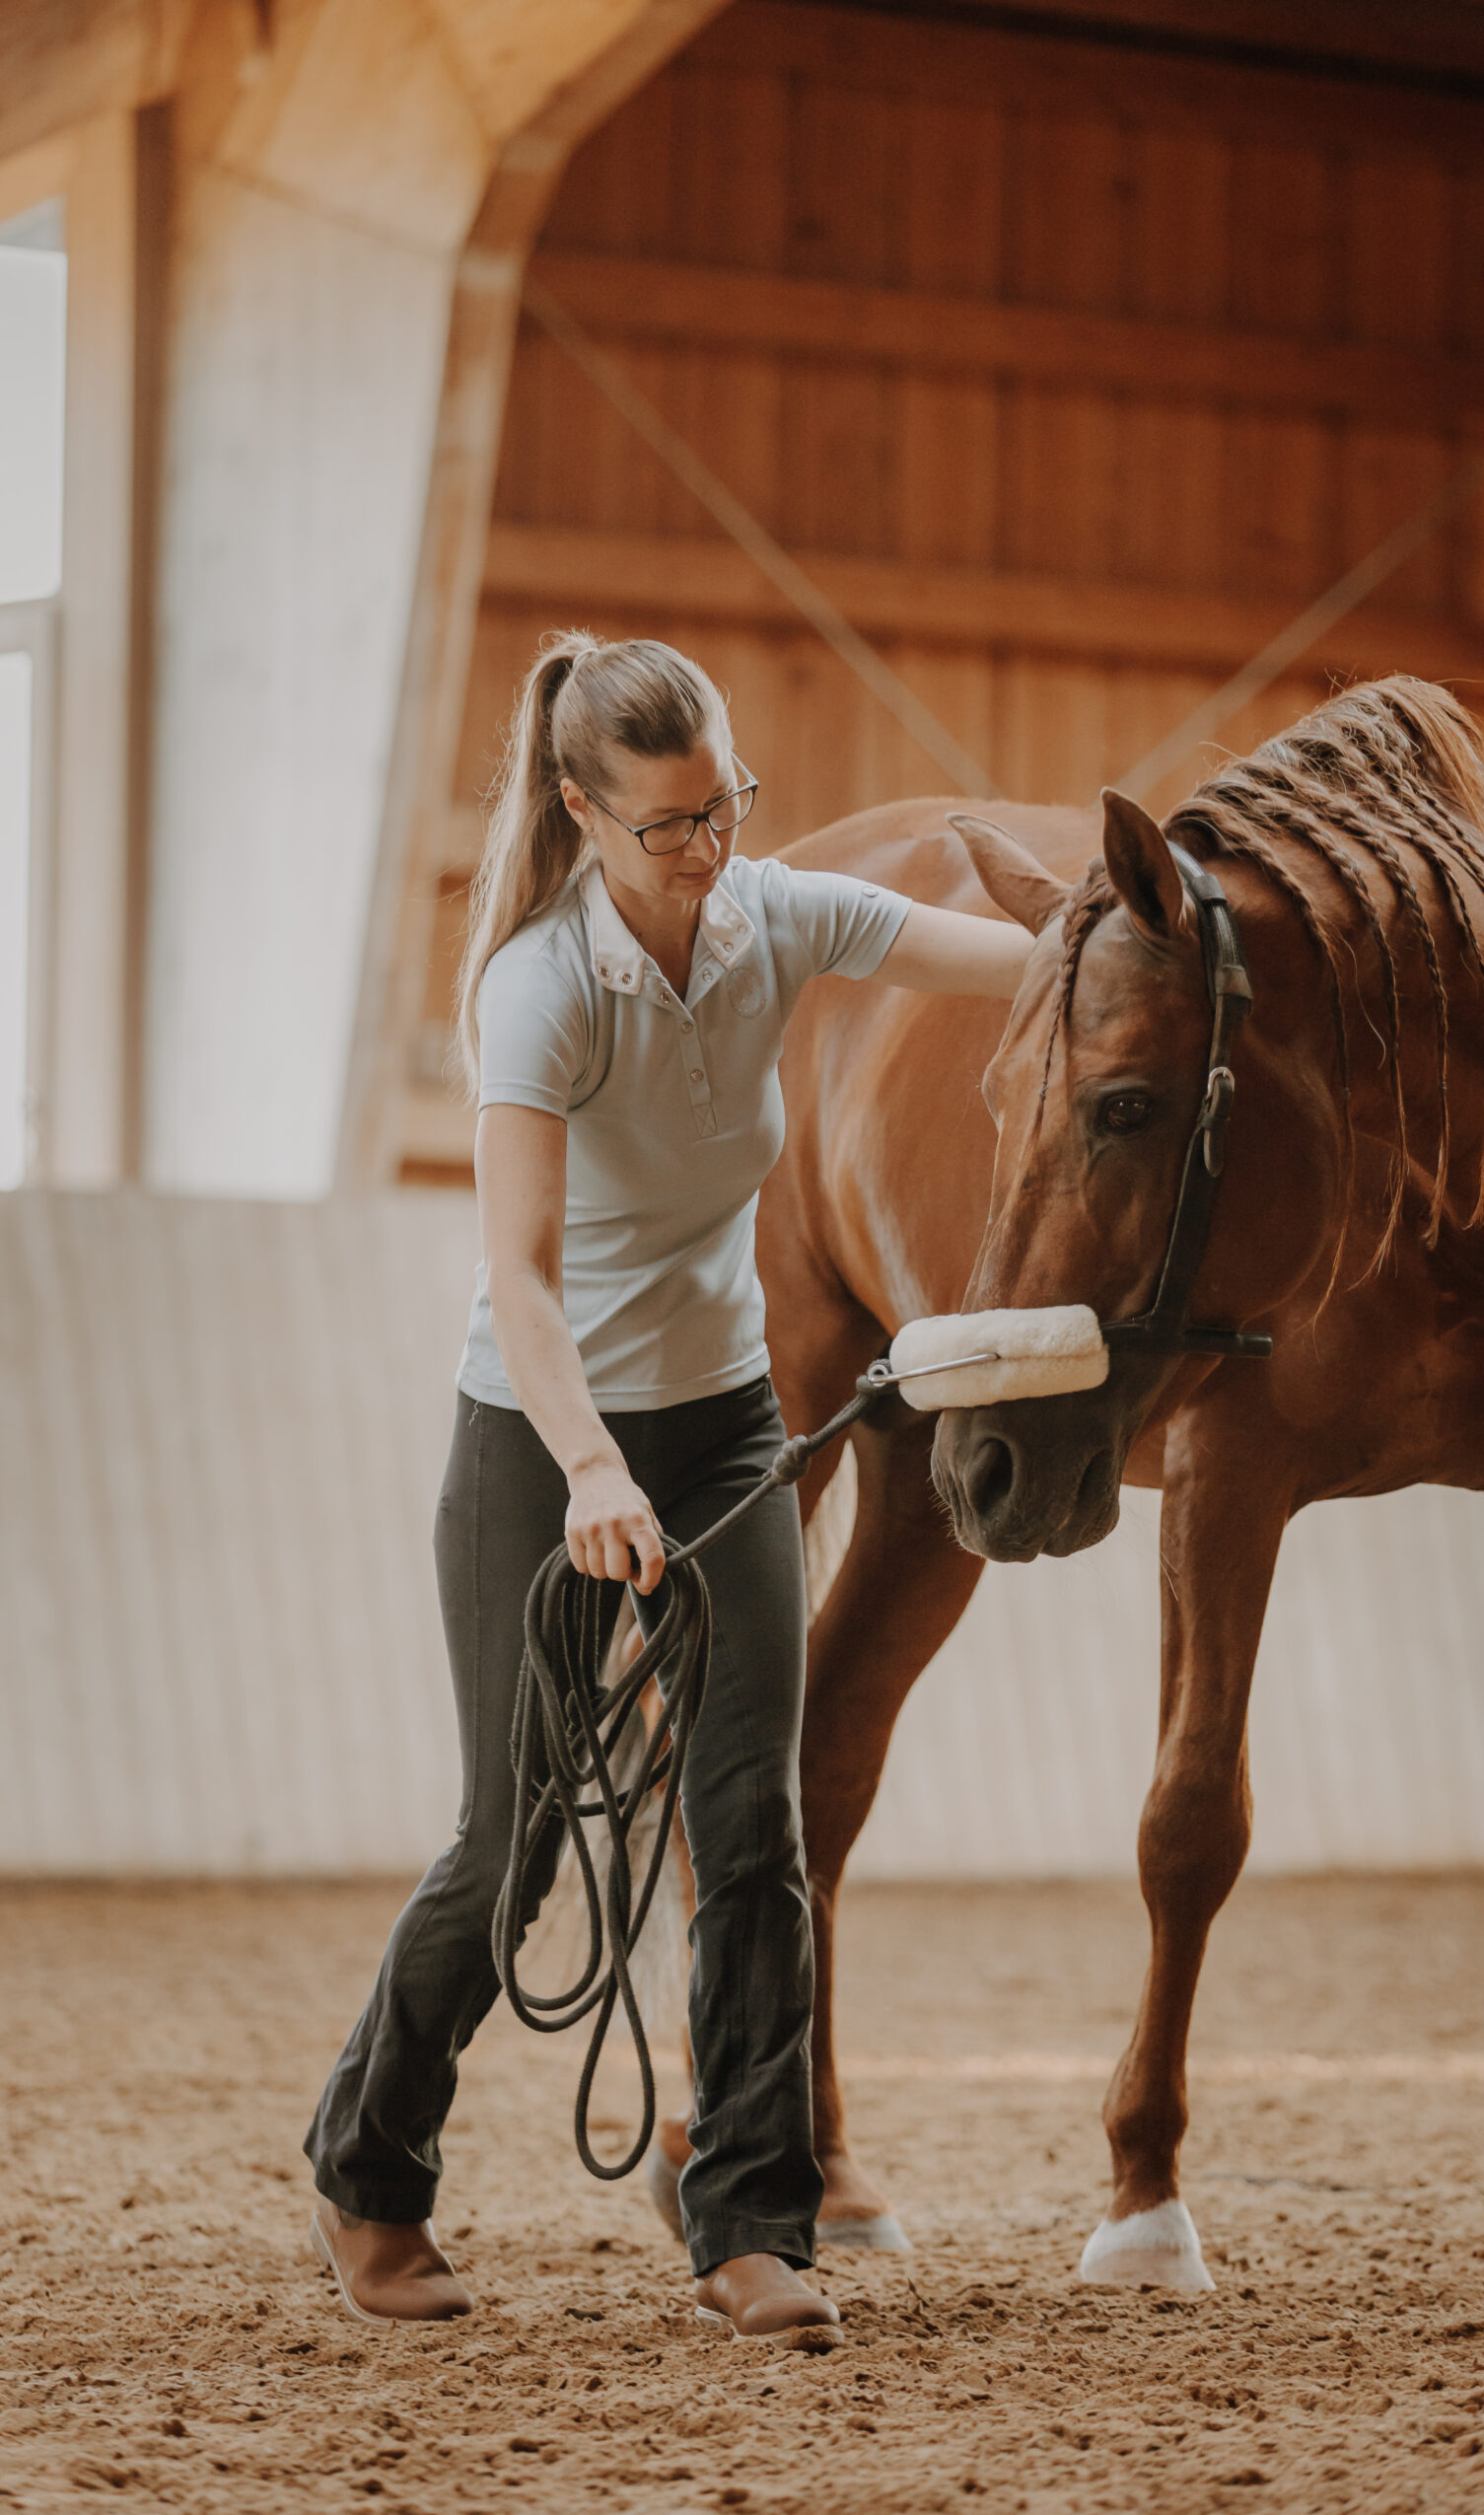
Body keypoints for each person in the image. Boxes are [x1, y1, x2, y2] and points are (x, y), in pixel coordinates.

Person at [304, 630, 1029, 2342]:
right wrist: (583, 1473)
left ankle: (750, 2222)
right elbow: (527, 1282)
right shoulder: (541, 988)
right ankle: (368, 2166)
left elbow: (1000, 953)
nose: (713, 851)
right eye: (673, 827)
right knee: (518, 1846)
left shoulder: (773, 916)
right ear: (581, 811)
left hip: (722, 1430)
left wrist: (1147, 930)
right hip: (536, 1440)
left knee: (752, 1828)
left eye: (729, 809)